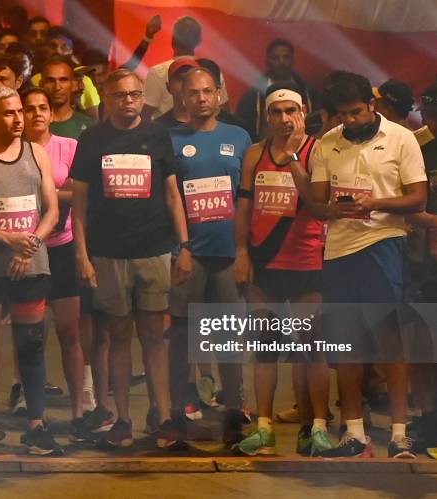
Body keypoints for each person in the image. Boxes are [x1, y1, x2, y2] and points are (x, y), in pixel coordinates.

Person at [303, 72, 427, 458]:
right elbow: (317, 204)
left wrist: (375, 204)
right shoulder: (327, 143)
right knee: (347, 342)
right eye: (343, 115)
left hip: (383, 244)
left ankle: (399, 434)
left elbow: (418, 199)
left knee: (390, 339)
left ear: (372, 104)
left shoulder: (402, 138)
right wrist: (331, 208)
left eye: (356, 112)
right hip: (339, 250)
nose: (350, 121)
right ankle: (354, 432)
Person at [71, 68, 192, 449]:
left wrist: (183, 247)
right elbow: (79, 205)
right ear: (106, 97)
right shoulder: (92, 139)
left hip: (154, 251)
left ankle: (165, 417)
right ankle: (122, 418)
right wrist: (83, 255)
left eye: (136, 95)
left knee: (155, 337)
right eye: (121, 95)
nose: (129, 101)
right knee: (118, 337)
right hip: (108, 254)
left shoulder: (157, 135)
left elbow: (173, 194)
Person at [0, 85, 62, 455]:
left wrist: (30, 243)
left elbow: (51, 209)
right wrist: (5, 240)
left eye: (20, 111)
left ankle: (37, 424)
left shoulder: (37, 153)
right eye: (8, 113)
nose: (18, 119)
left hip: (31, 266)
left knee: (31, 345)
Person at [232, 82, 330, 456]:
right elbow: (244, 206)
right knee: (264, 349)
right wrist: (241, 252)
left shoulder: (317, 151)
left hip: (306, 263)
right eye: (277, 112)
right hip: (264, 264)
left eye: (291, 111)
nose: (285, 119)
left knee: (312, 348)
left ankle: (317, 426)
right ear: (267, 116)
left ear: (303, 112)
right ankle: (264, 428)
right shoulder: (255, 154)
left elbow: (318, 203)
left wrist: (291, 159)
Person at [168, 67, 252, 447]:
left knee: (229, 338)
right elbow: (166, 201)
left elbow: (248, 201)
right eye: (193, 92)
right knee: (183, 336)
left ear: (220, 93)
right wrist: (179, 249)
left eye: (207, 91)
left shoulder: (240, 138)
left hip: (229, 255)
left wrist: (244, 251)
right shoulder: (170, 140)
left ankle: (235, 409)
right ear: (181, 97)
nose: (201, 98)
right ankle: (177, 411)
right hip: (189, 255)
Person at [22, 87, 88, 439]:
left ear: (50, 112)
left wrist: (45, 197)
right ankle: (35, 414)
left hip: (62, 247)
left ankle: (79, 409)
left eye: (42, 107)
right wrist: (55, 197)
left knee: (69, 332)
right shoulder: (15, 151)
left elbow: (80, 191)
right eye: (29, 108)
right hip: (25, 248)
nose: (36, 114)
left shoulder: (68, 147)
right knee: (29, 335)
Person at [405, 81, 437, 453]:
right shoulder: (418, 147)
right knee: (426, 344)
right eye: (429, 114)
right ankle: (429, 415)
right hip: (425, 266)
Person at [142, 16, 228, 121]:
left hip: (166, 134)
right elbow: (224, 111)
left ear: (173, 40)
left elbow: (145, 116)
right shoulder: (211, 71)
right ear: (199, 41)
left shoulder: (157, 72)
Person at [236, 39, 320, 142]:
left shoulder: (309, 93)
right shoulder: (253, 97)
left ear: (293, 60)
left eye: (286, 57)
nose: (281, 62)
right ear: (267, 61)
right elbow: (244, 132)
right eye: (275, 58)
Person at [40, 56, 94, 140]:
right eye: (50, 81)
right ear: (41, 84)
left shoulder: (90, 126)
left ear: (73, 84)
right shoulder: (30, 126)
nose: (57, 87)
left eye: (63, 80)